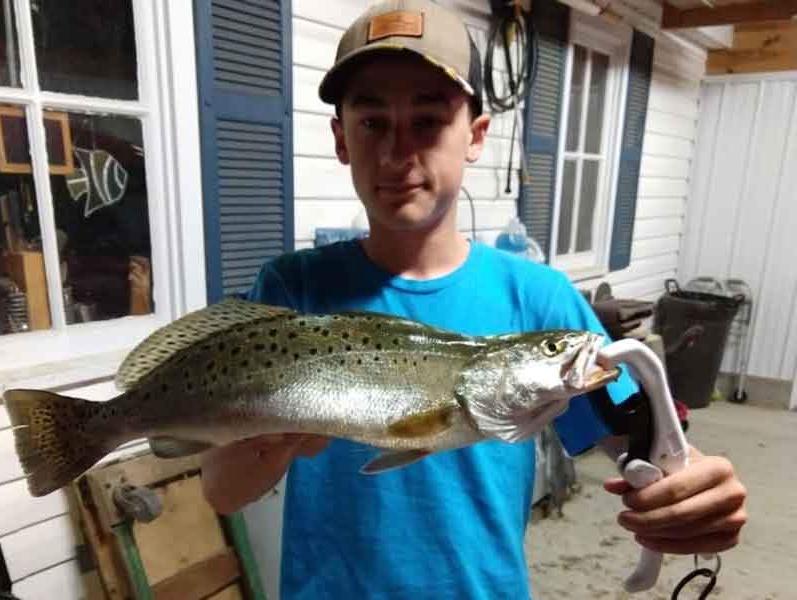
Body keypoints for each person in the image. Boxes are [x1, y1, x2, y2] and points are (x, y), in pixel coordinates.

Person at [202, 1, 747, 598]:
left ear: (476, 136)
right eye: (373, 122)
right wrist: (272, 439)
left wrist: (695, 490)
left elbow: (642, 440)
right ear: (341, 139)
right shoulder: (291, 292)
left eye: (428, 121)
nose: (397, 153)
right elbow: (223, 492)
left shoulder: (539, 299)